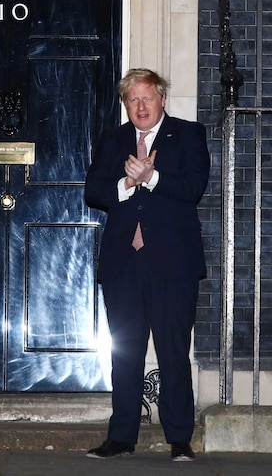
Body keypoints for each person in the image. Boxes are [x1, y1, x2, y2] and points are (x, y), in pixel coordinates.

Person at [83, 68, 209, 462]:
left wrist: (152, 177)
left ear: (162, 100)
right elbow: (93, 191)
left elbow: (193, 188)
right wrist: (127, 184)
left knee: (173, 352)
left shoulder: (188, 135)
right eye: (133, 100)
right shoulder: (114, 139)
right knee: (124, 354)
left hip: (173, 264)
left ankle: (179, 439)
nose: (140, 106)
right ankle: (121, 437)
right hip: (124, 265)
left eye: (147, 98)